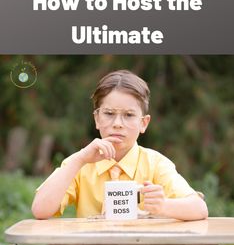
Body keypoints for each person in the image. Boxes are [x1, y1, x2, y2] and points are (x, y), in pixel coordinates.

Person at [32, 69, 208, 221]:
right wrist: (78, 160)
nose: (117, 123)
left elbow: (199, 209)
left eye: (129, 115)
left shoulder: (155, 164)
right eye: (109, 113)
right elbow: (40, 210)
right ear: (97, 119)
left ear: (143, 123)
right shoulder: (80, 162)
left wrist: (164, 206)